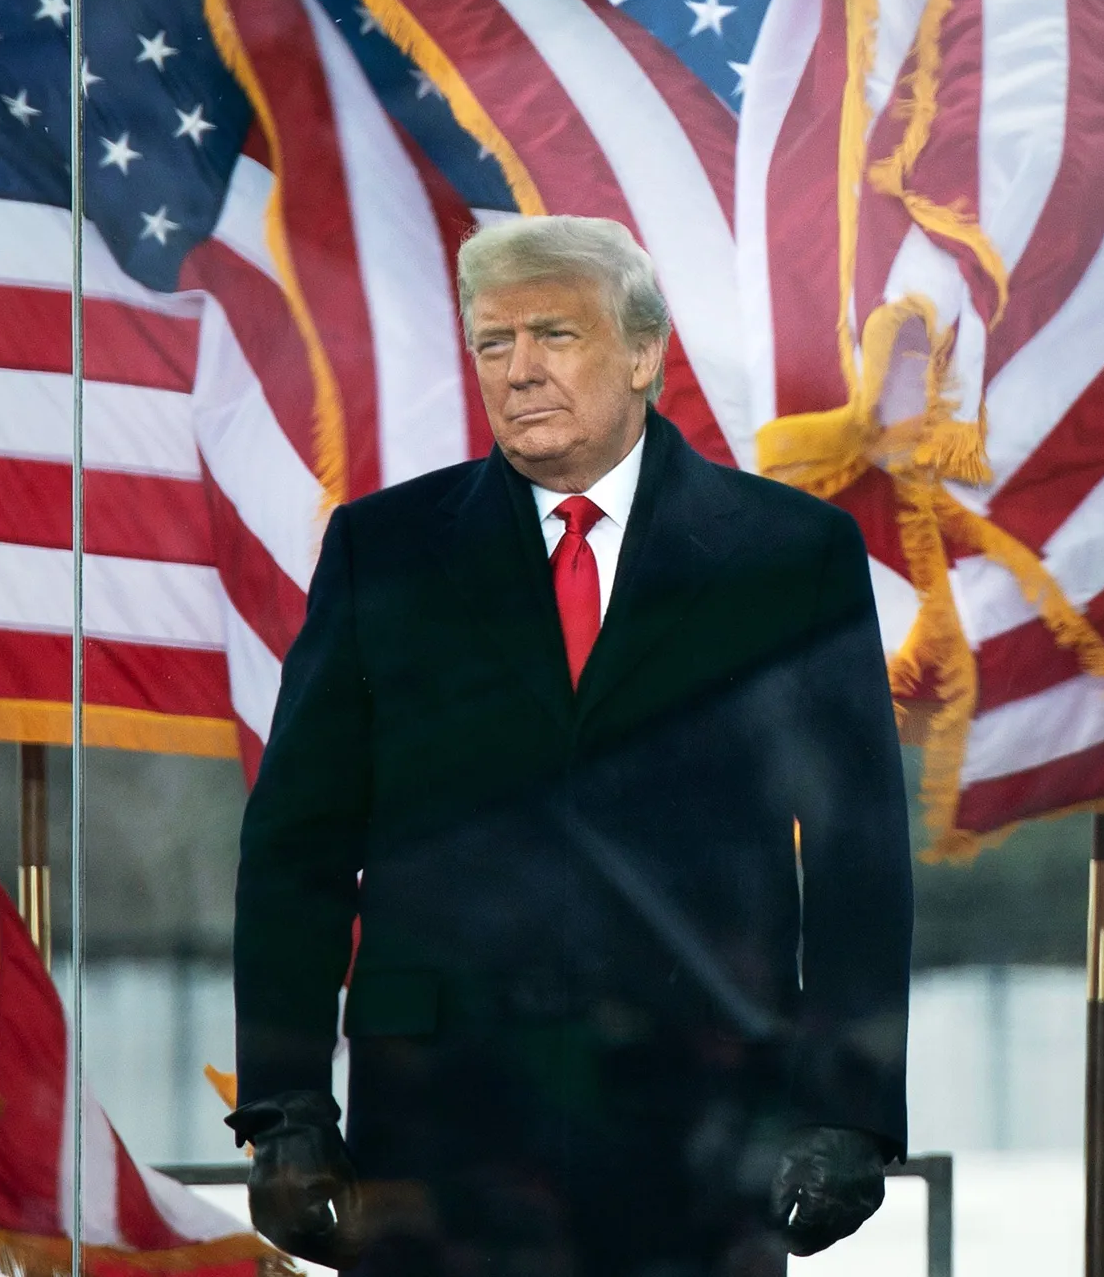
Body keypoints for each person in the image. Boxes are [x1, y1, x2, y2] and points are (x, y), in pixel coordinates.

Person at [229, 216, 912, 1276]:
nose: (518, 371)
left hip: (698, 1124)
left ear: (643, 354)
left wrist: (847, 1112)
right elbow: (295, 850)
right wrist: (284, 1108)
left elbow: (854, 856)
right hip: (438, 1127)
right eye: (493, 343)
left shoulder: (788, 556)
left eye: (554, 334)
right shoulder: (385, 550)